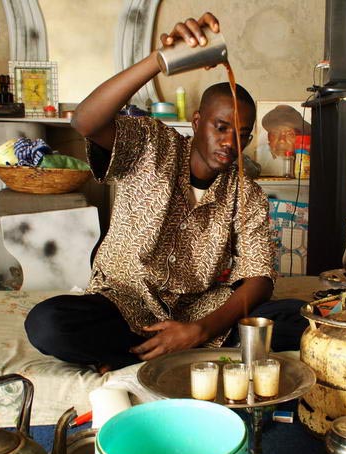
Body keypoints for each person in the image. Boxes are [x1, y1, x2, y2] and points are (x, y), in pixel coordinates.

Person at [24, 13, 308, 372]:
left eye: (242, 134)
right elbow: (85, 121)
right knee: (48, 324)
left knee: (298, 318)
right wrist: (158, 60)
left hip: (197, 311)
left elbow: (260, 277)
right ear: (197, 122)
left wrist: (198, 330)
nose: (230, 142)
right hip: (127, 304)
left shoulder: (245, 193)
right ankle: (162, 349)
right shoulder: (150, 144)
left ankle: (152, 351)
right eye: (221, 127)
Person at [255, 104, 310, 176]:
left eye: (290, 134)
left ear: (299, 138)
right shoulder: (259, 156)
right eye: (275, 133)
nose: (282, 140)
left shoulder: (307, 160)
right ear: (268, 137)